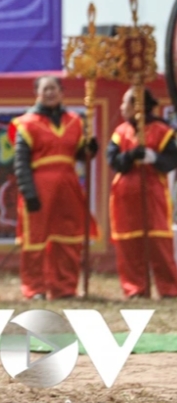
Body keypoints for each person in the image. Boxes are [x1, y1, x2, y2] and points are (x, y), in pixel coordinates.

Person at [11, 77, 99, 300]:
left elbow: (81, 154)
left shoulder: (76, 121)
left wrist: (90, 148)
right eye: (45, 89)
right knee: (35, 240)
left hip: (68, 187)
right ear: (37, 93)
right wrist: (28, 191)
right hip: (39, 187)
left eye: (54, 88)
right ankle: (35, 288)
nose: (50, 93)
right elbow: (20, 162)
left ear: (61, 92)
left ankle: (65, 287)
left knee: (67, 238)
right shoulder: (26, 123)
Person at [106, 88, 177, 298]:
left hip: (153, 192)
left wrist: (154, 158)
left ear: (138, 106)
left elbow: (172, 159)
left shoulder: (161, 130)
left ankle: (169, 288)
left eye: (125, 103)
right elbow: (113, 161)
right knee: (129, 244)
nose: (121, 108)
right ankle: (135, 289)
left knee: (158, 243)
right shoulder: (120, 132)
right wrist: (129, 156)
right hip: (125, 195)